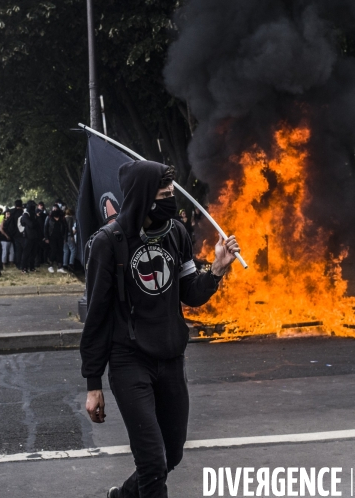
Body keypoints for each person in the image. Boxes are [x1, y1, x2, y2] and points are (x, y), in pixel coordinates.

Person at [80, 161, 240, 498]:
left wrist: (216, 270)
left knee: (172, 454)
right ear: (142, 198)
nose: (171, 202)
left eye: (171, 194)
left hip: (170, 359)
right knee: (153, 463)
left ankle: (122, 496)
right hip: (129, 363)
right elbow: (96, 317)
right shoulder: (108, 243)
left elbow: (191, 293)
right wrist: (93, 384)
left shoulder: (176, 233)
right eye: (164, 195)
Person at [44, 208, 67, 273]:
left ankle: (60, 267)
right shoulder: (49, 218)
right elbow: (45, 228)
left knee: (60, 251)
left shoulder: (62, 219)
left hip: (60, 237)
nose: (57, 218)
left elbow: (65, 228)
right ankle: (50, 265)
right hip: (51, 237)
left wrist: (65, 238)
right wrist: (46, 238)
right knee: (54, 250)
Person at [20, 200, 39, 273]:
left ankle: (32, 267)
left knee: (33, 253)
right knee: (26, 253)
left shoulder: (33, 214)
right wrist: (36, 219)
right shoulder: (26, 215)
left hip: (34, 236)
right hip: (28, 236)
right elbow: (31, 224)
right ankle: (24, 268)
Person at [63, 208, 76, 272]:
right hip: (68, 235)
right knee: (73, 250)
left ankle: (64, 264)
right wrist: (72, 236)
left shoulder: (63, 218)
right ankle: (71, 264)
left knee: (65, 250)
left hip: (63, 236)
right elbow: (70, 228)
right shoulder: (70, 219)